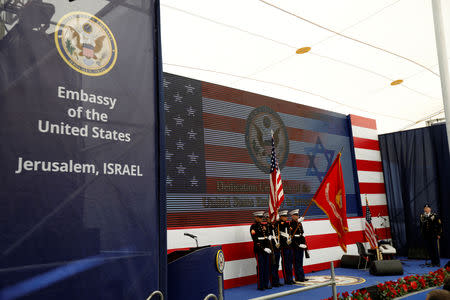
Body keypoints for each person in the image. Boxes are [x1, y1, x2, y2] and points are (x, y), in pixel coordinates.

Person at [250, 211, 272, 290]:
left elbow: (266, 238)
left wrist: (268, 247)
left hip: (266, 250)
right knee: (261, 267)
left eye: (261, 217)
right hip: (259, 250)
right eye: (259, 217)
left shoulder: (263, 226)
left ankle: (266, 284)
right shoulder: (253, 227)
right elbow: (256, 240)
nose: (261, 219)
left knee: (266, 267)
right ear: (255, 218)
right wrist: (263, 248)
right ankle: (261, 285)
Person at [289, 209, 309, 282]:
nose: (297, 216)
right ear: (292, 216)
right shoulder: (291, 223)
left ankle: (302, 276)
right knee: (296, 262)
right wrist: (298, 245)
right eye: (296, 215)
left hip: (301, 242)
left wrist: (303, 244)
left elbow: (301, 233)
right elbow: (293, 234)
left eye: (297, 215)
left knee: (300, 261)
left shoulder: (299, 223)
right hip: (296, 244)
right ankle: (298, 277)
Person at [264, 212, 283, 287]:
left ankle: (276, 281)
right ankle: (273, 282)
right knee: (272, 265)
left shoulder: (274, 226)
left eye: (272, 217)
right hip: (271, 249)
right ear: (267, 218)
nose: (271, 219)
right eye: (269, 218)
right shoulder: (265, 227)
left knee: (276, 265)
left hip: (277, 248)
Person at [277, 210, 295, 285]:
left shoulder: (287, 224)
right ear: (280, 217)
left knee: (290, 263)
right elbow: (282, 226)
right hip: (284, 246)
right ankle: (287, 279)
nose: (286, 218)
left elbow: (290, 230)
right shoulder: (279, 224)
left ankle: (290, 278)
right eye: (284, 216)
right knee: (285, 264)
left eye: (286, 216)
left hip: (289, 246)